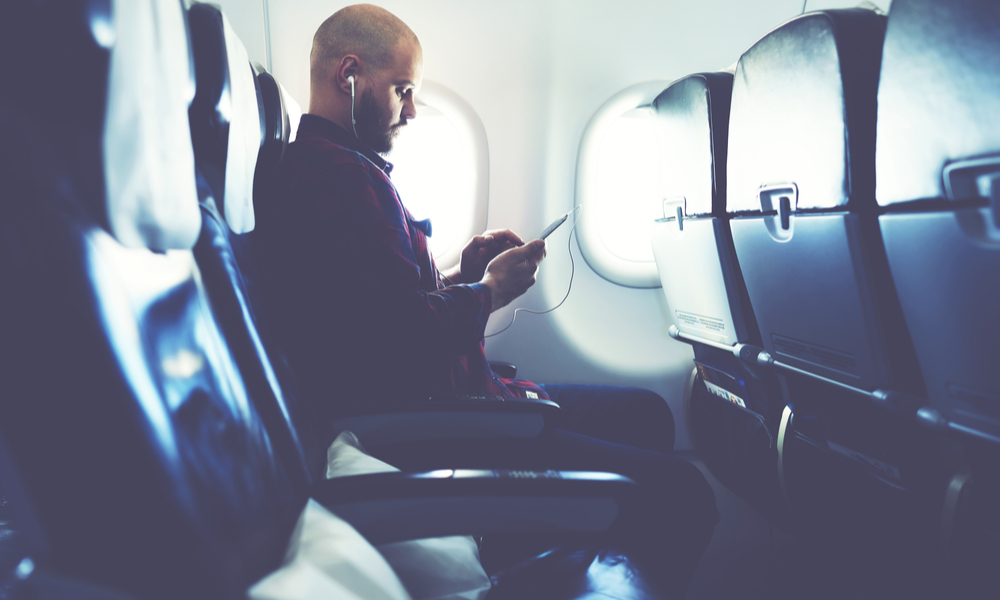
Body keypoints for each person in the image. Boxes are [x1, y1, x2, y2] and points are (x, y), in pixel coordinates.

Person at [253, 4, 717, 594]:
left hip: (468, 399)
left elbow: (378, 308)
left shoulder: (352, 169)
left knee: (646, 415)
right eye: (403, 90)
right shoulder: (335, 177)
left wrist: (464, 273)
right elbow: (404, 336)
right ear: (349, 75)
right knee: (684, 496)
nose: (412, 110)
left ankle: (578, 546)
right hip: (435, 424)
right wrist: (490, 291)